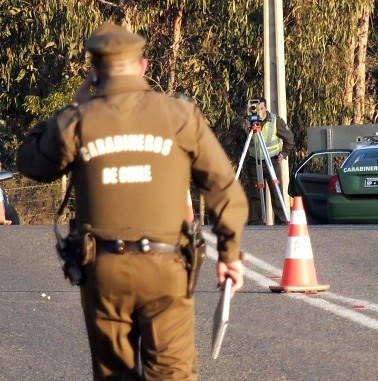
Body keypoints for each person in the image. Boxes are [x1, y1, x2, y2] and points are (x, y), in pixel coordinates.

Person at [17, 23, 248, 380]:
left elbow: (31, 161)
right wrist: (230, 255)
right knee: (172, 373)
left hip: (103, 268)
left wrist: (70, 108)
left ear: (95, 72)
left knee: (114, 374)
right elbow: (225, 190)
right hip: (166, 268)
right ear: (142, 67)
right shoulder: (179, 116)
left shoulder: (78, 121)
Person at [243, 97, 294, 225]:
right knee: (255, 193)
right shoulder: (248, 123)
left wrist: (284, 153)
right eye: (254, 109)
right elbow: (241, 141)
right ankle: (256, 220)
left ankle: (281, 220)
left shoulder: (275, 121)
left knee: (276, 191)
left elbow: (289, 138)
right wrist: (243, 128)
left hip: (272, 161)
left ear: (265, 108)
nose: (258, 111)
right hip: (254, 162)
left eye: (261, 108)